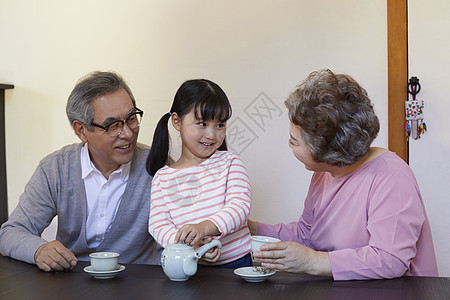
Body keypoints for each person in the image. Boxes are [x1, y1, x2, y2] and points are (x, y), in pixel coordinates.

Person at [249, 69, 438, 280]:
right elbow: (306, 234)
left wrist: (312, 261)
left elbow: (390, 260)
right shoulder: (324, 173)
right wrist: (252, 228)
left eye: (294, 141)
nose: (289, 144)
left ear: (325, 150)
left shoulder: (391, 176)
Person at [0, 71, 161, 272]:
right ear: (81, 130)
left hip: (139, 284)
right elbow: (11, 232)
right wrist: (39, 250)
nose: (128, 133)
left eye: (131, 119)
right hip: (71, 283)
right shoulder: (56, 168)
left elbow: (177, 240)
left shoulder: (157, 167)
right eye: (112, 126)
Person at [147, 79, 252, 268]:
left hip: (236, 263)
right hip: (188, 265)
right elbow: (158, 224)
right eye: (202, 123)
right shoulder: (162, 178)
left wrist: (204, 228)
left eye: (220, 125)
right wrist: (189, 244)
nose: (212, 134)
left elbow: (239, 207)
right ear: (177, 121)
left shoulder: (230, 163)